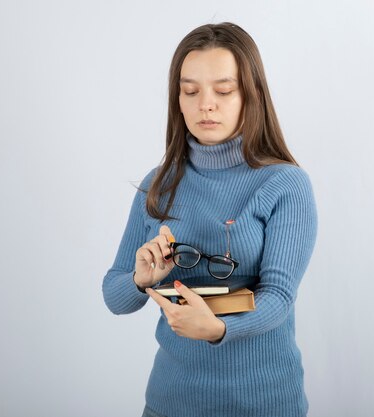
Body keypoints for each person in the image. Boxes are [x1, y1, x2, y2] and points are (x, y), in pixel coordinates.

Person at [102, 22, 317, 417]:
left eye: (223, 90)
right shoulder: (159, 183)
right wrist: (141, 279)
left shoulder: (285, 184)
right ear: (177, 100)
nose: (206, 104)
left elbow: (280, 298)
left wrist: (219, 330)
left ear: (251, 96)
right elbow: (114, 295)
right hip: (171, 403)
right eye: (190, 91)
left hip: (264, 404)